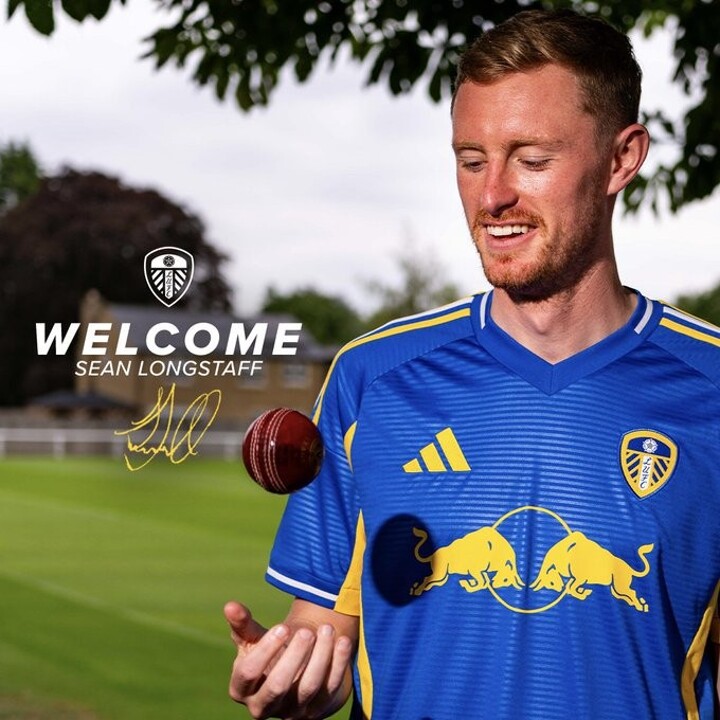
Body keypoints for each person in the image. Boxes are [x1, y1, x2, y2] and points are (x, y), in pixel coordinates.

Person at [225, 9, 720, 719]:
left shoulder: (710, 387)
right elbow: (325, 636)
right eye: (471, 159)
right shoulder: (372, 379)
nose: (492, 196)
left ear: (621, 159)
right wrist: (296, 677)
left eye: (532, 160)